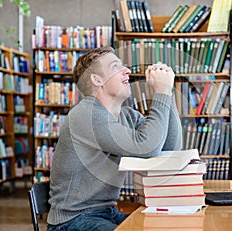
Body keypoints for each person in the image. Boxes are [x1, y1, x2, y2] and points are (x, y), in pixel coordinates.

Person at [47, 46, 183, 231]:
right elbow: (147, 148)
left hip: (106, 212)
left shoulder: (127, 116)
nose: (127, 70)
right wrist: (161, 94)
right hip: (72, 220)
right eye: (115, 67)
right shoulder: (86, 114)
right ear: (97, 79)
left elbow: (168, 148)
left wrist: (168, 92)